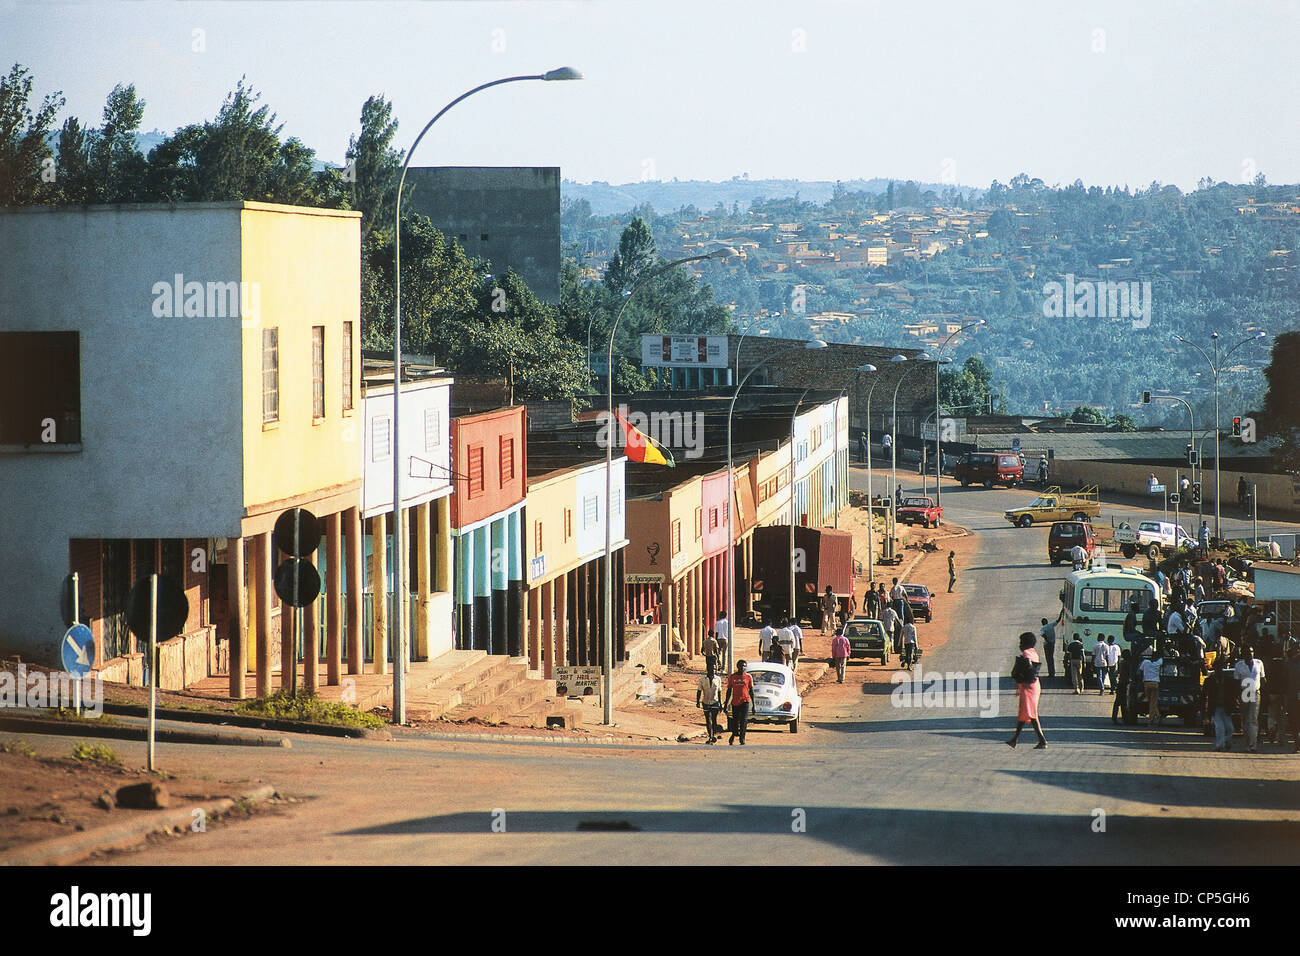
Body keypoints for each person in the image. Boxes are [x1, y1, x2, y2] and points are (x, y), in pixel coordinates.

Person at [1007, 632, 1047, 749]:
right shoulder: (1033, 652)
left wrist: (1019, 676)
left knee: (1030, 713)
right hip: (1033, 686)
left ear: (1025, 642)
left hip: (1029, 687)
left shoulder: (1026, 654)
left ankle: (1042, 740)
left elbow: (1027, 669)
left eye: (1021, 642)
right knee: (1024, 713)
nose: (1019, 645)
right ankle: (1015, 739)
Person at [1233, 645, 1265, 753]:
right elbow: (1236, 683)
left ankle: (1253, 744)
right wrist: (1237, 698)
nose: (1250, 654)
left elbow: (1263, 679)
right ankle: (1247, 742)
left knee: (1253, 718)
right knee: (1245, 719)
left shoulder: (1259, 663)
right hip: (1244, 693)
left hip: (1255, 692)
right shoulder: (1239, 665)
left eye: (1252, 651)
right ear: (1243, 654)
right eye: (1247, 652)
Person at [1207, 654, 1237, 752]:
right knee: (1219, 727)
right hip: (1215, 708)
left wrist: (1233, 704)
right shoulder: (1209, 681)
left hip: (1226, 707)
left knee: (1230, 728)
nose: (1219, 670)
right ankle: (1219, 746)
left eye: (1220, 668)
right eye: (1217, 668)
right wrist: (1205, 713)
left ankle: (1226, 742)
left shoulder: (1229, 681)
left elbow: (1233, 694)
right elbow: (1204, 696)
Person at [724, 660, 755, 745]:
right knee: (735, 721)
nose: (743, 668)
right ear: (737, 666)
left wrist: (753, 705)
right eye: (741, 666)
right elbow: (729, 691)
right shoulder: (732, 677)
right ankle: (734, 734)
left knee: (744, 720)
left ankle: (742, 738)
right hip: (735, 701)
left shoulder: (748, 677)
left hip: (745, 701)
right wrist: (726, 703)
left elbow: (751, 691)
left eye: (744, 666)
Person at [696, 665, 723, 743]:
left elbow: (719, 691)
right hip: (705, 701)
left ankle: (713, 735)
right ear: (708, 670)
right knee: (708, 719)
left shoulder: (718, 679)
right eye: (712, 669)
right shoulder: (702, 679)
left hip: (715, 701)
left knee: (714, 719)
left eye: (714, 669)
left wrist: (720, 703)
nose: (713, 671)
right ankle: (710, 736)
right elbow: (699, 691)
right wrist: (697, 701)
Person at [1138, 649, 1165, 727]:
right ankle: (1155, 717)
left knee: (1151, 702)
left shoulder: (1145, 662)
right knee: (1153, 703)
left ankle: (1152, 719)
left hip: (1147, 683)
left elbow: (1139, 671)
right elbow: (1161, 659)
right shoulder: (1159, 662)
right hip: (1155, 683)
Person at [1112, 649, 1132, 724]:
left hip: (1121, 683)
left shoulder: (1122, 662)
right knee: (1123, 702)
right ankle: (1125, 719)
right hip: (1125, 683)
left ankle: (1115, 717)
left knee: (1118, 702)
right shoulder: (1127, 663)